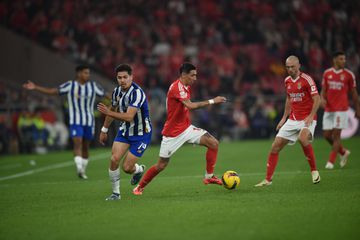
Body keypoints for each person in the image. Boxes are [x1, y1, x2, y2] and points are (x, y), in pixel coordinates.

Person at [132, 62, 227, 195]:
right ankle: (139, 187)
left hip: (186, 128)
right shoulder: (177, 88)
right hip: (173, 134)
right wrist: (212, 101)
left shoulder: (186, 86)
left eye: (196, 75)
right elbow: (190, 106)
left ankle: (209, 176)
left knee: (213, 143)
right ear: (184, 75)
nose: (195, 78)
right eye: (193, 75)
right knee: (161, 165)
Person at [23, 65, 105, 179]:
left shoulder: (93, 86)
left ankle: (83, 169)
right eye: (86, 73)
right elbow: (53, 91)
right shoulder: (70, 85)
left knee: (86, 146)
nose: (88, 75)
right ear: (79, 74)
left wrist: (120, 96)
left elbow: (105, 94)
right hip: (75, 120)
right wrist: (36, 87)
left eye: (88, 73)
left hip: (89, 121)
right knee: (77, 142)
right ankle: (79, 169)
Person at [255, 56, 321, 187]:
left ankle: (314, 171)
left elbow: (317, 98)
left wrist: (311, 116)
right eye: (288, 67)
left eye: (292, 66)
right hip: (293, 119)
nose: (290, 69)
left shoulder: (307, 79)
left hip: (307, 118)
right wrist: (284, 118)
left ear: (298, 66)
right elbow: (289, 99)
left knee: (303, 139)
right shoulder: (287, 81)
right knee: (275, 146)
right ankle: (268, 180)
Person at [97, 64, 152, 200]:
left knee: (127, 168)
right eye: (119, 77)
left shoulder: (137, 93)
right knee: (114, 159)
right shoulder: (117, 92)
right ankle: (116, 194)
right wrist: (104, 130)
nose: (122, 80)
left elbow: (129, 116)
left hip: (141, 134)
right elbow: (113, 109)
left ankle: (138, 170)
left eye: (125, 77)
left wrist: (109, 112)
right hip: (125, 131)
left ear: (131, 77)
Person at [321, 51, 360, 169]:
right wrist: (322, 98)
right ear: (335, 60)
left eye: (344, 59)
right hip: (329, 109)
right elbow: (323, 90)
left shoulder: (349, 75)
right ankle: (343, 152)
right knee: (327, 136)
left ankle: (330, 162)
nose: (344, 61)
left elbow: (354, 94)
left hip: (342, 109)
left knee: (337, 135)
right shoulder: (327, 73)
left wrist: (358, 109)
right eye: (341, 59)